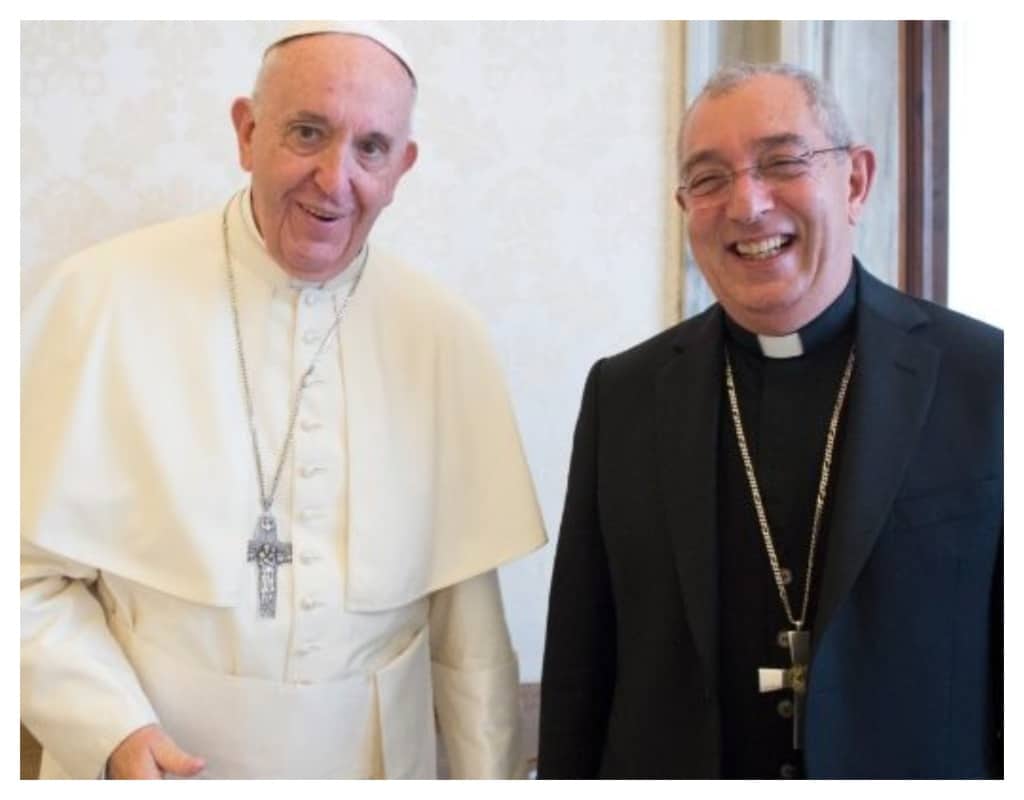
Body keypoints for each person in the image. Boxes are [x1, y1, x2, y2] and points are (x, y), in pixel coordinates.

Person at [22, 21, 546, 779]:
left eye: (371, 148)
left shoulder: (444, 335)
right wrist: (110, 731)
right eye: (308, 132)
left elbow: (468, 640)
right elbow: (23, 576)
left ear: (403, 166)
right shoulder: (98, 297)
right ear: (247, 132)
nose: (335, 180)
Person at [537, 62, 1002, 779]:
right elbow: (579, 665)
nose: (747, 205)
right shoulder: (623, 395)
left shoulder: (987, 378)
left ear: (854, 182)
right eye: (710, 178)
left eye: (782, 162)